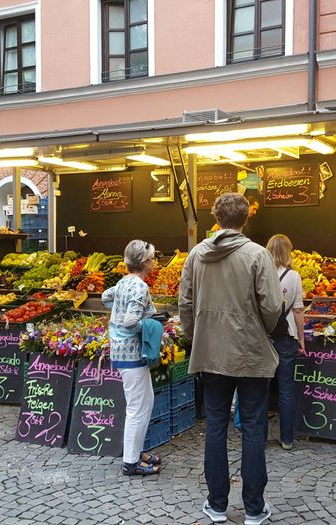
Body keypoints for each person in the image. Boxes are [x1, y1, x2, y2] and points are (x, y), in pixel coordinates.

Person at [179, 193, 283, 525]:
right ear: (245, 219)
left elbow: (185, 303)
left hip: (211, 353)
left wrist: (197, 337)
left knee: (215, 427)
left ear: (216, 217)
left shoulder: (196, 255)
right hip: (251, 352)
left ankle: (217, 504)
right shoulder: (258, 254)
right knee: (253, 427)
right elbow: (272, 306)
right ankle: (254, 508)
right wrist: (260, 330)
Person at [102, 239, 161, 476]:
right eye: (153, 259)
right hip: (131, 352)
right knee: (138, 407)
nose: (154, 262)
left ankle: (136, 452)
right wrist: (153, 323)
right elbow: (131, 321)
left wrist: (117, 310)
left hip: (121, 350)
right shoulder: (139, 287)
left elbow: (107, 297)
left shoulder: (123, 282)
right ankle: (130, 463)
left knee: (145, 402)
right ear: (145, 262)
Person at [265, 234, 305, 451]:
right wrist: (301, 337)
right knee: (286, 389)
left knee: (261, 389)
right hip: (286, 337)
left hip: (263, 338)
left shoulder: (259, 273)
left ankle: (259, 438)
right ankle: (287, 439)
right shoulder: (294, 276)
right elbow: (298, 310)